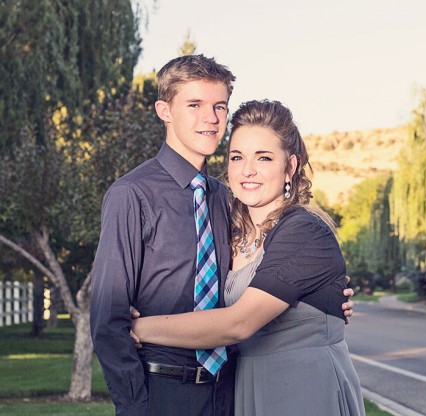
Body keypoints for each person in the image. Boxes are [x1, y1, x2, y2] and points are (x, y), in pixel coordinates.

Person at [90, 55, 355, 416]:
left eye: (219, 106)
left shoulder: (226, 201)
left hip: (229, 391)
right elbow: (107, 318)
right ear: (164, 110)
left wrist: (324, 297)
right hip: (162, 392)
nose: (211, 118)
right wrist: (135, 405)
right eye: (194, 104)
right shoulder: (132, 195)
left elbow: (262, 290)